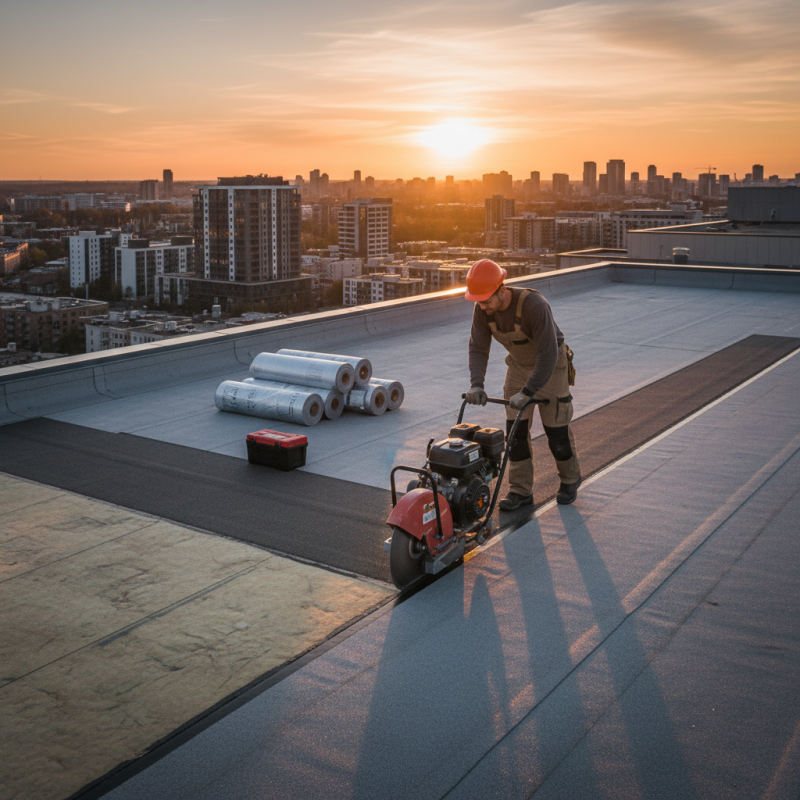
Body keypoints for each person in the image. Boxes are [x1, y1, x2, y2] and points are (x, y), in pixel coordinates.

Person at [464, 259, 581, 509]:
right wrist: (477, 384)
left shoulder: (534, 306)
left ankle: (570, 480)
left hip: (552, 366)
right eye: (479, 301)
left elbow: (548, 354)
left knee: (556, 432)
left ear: (502, 290)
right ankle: (520, 491)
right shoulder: (482, 309)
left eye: (486, 300)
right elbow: (478, 347)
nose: (482, 306)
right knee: (515, 434)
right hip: (518, 366)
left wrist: (528, 392)